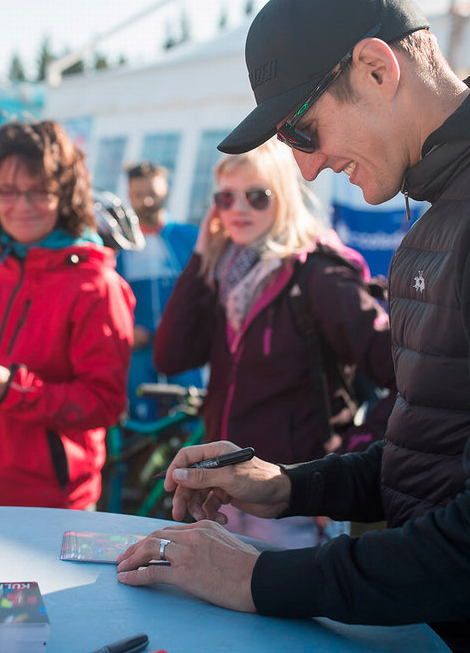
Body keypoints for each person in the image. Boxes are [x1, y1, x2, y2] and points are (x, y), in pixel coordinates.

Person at [117, 0, 470, 652]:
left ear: (377, 68)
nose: (309, 168)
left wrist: (260, 576)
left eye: (302, 129)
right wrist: (287, 487)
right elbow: (438, 453)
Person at [152, 138, 395, 548]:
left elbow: (407, 375)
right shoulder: (223, 274)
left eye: (257, 196)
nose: (239, 209)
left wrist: (340, 468)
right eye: (226, 198)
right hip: (224, 497)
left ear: (283, 198)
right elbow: (171, 355)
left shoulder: (319, 276)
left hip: (294, 502)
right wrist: (200, 257)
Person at [0, 119, 134, 510]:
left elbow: (104, 402)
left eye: (38, 191)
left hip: (48, 505)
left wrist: (13, 389)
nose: (21, 206)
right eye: (7, 191)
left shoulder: (96, 285)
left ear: (66, 195)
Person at [115, 162, 202, 421]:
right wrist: (126, 329)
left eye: (153, 192)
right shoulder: (119, 245)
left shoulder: (189, 236)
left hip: (183, 345)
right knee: (141, 420)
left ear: (167, 190)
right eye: (139, 195)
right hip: (138, 347)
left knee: (192, 413)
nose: (147, 200)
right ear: (129, 196)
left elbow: (206, 289)